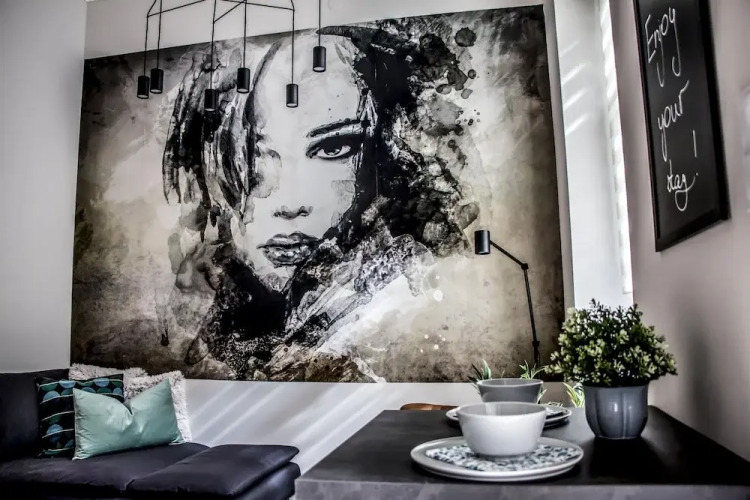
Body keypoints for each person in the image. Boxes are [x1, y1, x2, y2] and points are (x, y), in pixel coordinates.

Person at [161, 23, 479, 380]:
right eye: (251, 158)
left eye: (334, 148)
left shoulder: (399, 309)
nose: (289, 204)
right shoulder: (198, 308)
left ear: (383, 154)